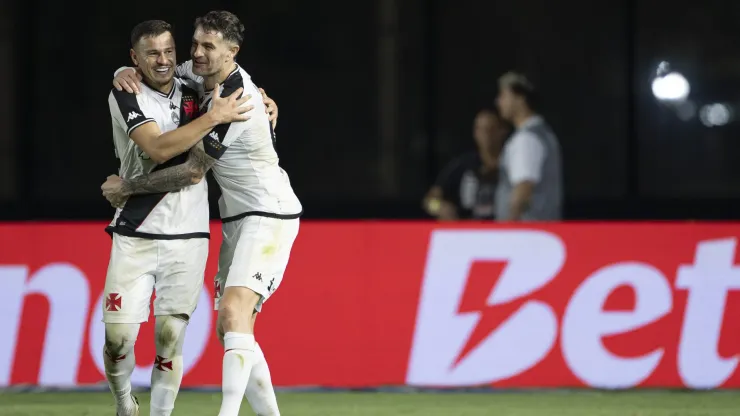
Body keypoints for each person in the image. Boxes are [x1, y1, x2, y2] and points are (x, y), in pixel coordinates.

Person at [105, 11, 302, 416]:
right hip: (237, 217)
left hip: (270, 211)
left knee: (232, 312)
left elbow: (193, 171)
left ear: (232, 53)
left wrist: (127, 187)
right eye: (195, 43)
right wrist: (124, 69)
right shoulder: (196, 73)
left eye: (208, 47)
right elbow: (156, 67)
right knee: (231, 326)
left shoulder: (237, 100)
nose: (197, 53)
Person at [494, 71, 563, 221]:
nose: (499, 102)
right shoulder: (543, 134)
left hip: (524, 235)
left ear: (520, 99)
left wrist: (506, 232)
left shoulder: (526, 139)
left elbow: (522, 191)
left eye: (503, 95)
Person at [423, 108, 509, 220]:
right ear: (475, 133)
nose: (486, 135)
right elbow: (428, 201)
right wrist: (439, 207)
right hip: (469, 231)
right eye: (480, 130)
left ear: (502, 131)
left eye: (490, 129)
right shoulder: (463, 165)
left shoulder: (512, 164)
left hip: (504, 230)